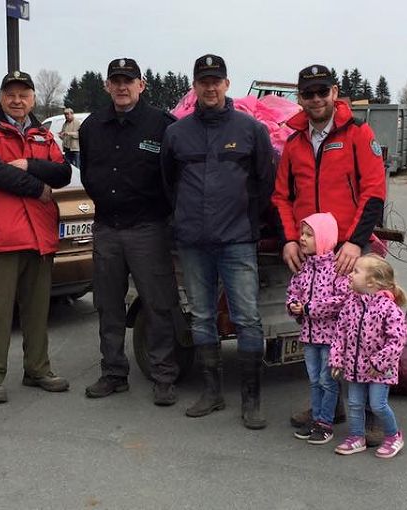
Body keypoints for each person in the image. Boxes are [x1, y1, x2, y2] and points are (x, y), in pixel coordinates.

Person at [161, 54, 275, 429]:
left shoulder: (250, 130)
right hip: (193, 242)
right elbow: (168, 184)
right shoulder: (177, 133)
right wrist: (183, 219)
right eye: (203, 81)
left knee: (247, 318)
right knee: (203, 316)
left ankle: (252, 400)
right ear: (194, 86)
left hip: (237, 241)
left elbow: (265, 183)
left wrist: (248, 222)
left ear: (227, 84)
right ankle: (211, 393)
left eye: (217, 81)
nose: (210, 87)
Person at [272, 64, 387, 431]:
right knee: (319, 331)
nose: (317, 99)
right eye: (309, 93)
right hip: (312, 254)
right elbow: (282, 196)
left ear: (335, 93)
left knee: (361, 332)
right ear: (300, 98)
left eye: (323, 91)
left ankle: (367, 414)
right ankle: (327, 407)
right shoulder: (293, 143)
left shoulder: (357, 133)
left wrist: (354, 242)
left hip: (351, 249)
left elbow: (374, 191)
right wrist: (291, 238)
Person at [79, 57, 179, 405]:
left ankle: (164, 375)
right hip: (107, 227)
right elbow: (89, 171)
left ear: (142, 84)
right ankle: (113, 372)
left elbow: (173, 178)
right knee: (108, 305)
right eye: (115, 80)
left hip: (148, 229)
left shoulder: (163, 125)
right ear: (107, 85)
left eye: (128, 80)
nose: (121, 87)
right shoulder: (92, 126)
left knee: (159, 304)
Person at [0, 70, 72, 404]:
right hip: (2, 235)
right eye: (10, 94)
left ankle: (37, 369)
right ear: (1, 97)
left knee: (37, 310)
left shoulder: (43, 134)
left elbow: (63, 172)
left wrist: (28, 163)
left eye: (23, 94)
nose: (17, 100)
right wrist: (36, 187)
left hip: (40, 235)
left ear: (33, 99)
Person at [329, 254, 407, 459]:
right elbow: (340, 334)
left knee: (378, 404)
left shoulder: (389, 309)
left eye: (356, 271)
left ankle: (393, 436)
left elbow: (397, 340)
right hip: (355, 367)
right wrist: (337, 358)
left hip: (380, 370)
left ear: (371, 281)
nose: (350, 275)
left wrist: (380, 362)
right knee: (354, 403)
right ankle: (356, 436)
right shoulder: (351, 305)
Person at [286, 212, 349, 445]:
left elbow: (341, 300)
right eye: (302, 233)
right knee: (314, 380)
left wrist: (308, 308)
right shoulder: (304, 268)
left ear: (323, 239)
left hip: (331, 338)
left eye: (309, 235)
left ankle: (325, 424)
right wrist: (292, 305)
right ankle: (316, 417)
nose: (302, 238)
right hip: (309, 336)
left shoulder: (337, 269)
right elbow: (293, 291)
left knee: (327, 380)